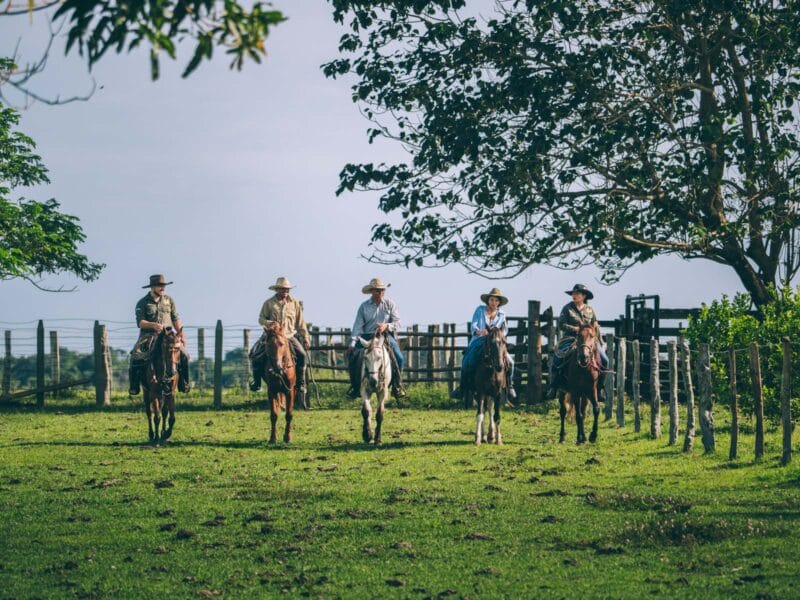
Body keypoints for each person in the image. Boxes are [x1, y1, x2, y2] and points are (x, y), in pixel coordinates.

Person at [250, 277, 310, 403]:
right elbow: (261, 319)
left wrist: (305, 337)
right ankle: (257, 382)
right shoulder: (269, 303)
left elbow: (301, 322)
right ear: (277, 289)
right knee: (255, 354)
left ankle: (300, 383)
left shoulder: (294, 303)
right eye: (283, 289)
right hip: (271, 335)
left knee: (302, 355)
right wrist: (270, 323)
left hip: (288, 336)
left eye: (287, 289)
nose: (285, 292)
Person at [128, 274, 190, 395]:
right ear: (152, 287)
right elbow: (140, 323)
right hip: (148, 336)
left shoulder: (169, 300)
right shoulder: (142, 303)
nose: (163, 288)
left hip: (168, 336)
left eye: (163, 286)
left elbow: (175, 318)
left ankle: (183, 383)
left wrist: (181, 334)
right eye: (160, 286)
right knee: (135, 356)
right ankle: (134, 386)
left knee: (185, 355)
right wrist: (153, 325)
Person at [451, 288, 516, 401]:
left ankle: (510, 386)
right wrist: (481, 331)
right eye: (491, 300)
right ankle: (462, 388)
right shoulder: (480, 310)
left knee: (511, 362)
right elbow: (474, 326)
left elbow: (505, 330)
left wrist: (497, 333)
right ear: (488, 301)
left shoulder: (502, 314)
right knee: (467, 360)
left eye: (496, 300)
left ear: (499, 302)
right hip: (479, 340)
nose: (493, 302)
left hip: (496, 341)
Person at [345, 278, 405, 399]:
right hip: (366, 336)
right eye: (378, 290)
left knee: (399, 357)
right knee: (353, 357)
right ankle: (355, 386)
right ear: (372, 291)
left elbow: (398, 322)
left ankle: (397, 386)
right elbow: (357, 326)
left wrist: (386, 326)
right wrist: (352, 343)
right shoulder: (364, 306)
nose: (380, 292)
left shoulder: (390, 304)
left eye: (382, 290)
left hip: (385, 336)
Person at [547, 283, 609, 399]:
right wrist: (575, 329)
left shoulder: (590, 310)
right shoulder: (567, 308)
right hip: (570, 338)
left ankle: (599, 388)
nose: (574, 296)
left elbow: (595, 326)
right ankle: (554, 387)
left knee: (605, 360)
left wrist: (601, 341)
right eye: (573, 294)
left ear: (584, 296)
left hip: (588, 340)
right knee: (557, 358)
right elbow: (561, 324)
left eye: (577, 294)